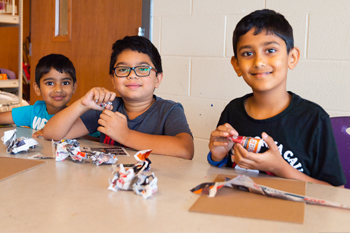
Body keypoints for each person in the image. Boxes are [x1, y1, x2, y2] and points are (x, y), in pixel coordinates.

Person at [208, 9, 346, 187]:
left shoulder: (313, 118)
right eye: (248, 53)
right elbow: (223, 173)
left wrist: (280, 168)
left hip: (295, 212)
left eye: (270, 50)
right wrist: (217, 156)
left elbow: (335, 190)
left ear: (292, 57)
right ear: (237, 65)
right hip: (241, 209)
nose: (259, 61)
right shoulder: (232, 111)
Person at [43, 36, 194, 159]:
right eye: (123, 69)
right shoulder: (107, 107)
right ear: (113, 80)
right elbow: (51, 134)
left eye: (142, 69)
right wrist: (82, 104)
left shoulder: (169, 110)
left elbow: (185, 150)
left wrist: (125, 135)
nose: (132, 75)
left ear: (158, 79)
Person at [0, 54, 77, 137]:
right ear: (37, 89)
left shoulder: (77, 117)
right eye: (50, 83)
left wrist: (50, 131)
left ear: (74, 87)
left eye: (65, 83)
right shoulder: (34, 112)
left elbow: (90, 139)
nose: (58, 89)